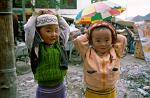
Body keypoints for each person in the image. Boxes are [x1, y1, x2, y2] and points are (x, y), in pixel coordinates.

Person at [72, 21, 127, 98]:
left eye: (107, 40)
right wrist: (89, 33)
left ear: (112, 40)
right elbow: (79, 40)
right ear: (91, 41)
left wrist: (110, 30)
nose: (103, 44)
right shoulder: (87, 53)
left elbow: (123, 39)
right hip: (92, 92)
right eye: (98, 40)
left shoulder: (116, 52)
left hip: (110, 92)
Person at [24, 10, 70, 98]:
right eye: (48, 31)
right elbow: (29, 28)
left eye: (56, 30)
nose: (54, 34)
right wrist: (35, 15)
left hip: (60, 88)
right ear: (38, 32)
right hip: (44, 91)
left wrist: (57, 16)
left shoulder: (60, 43)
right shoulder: (36, 46)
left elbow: (66, 28)